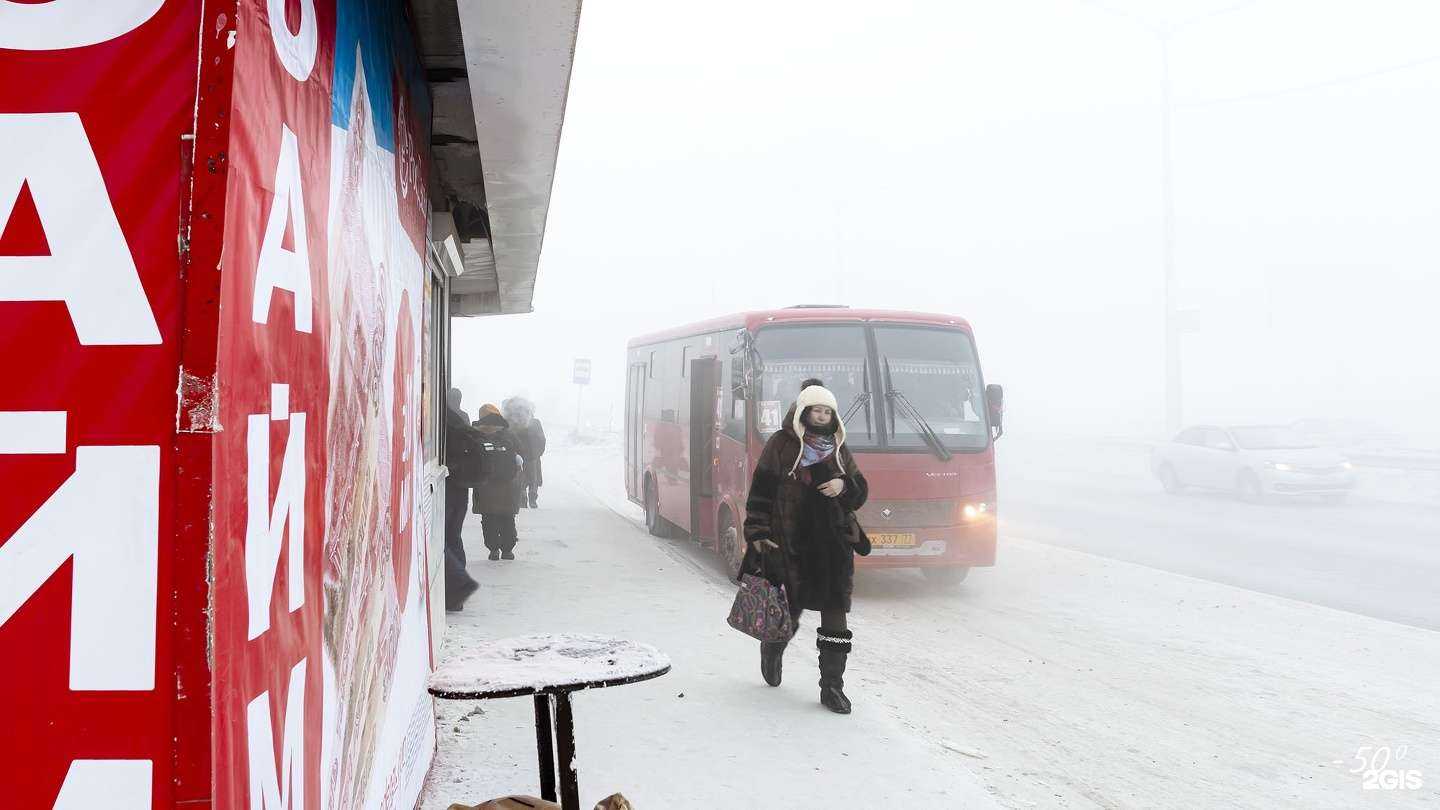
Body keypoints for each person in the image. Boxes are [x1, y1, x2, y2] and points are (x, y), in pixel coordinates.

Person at [741, 377, 871, 714]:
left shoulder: (839, 448)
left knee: (835, 620)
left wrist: (844, 484)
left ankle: (832, 688)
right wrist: (757, 533)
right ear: (804, 411)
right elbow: (761, 492)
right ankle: (773, 648)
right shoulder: (781, 446)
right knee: (789, 614)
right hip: (789, 544)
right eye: (816, 410)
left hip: (832, 548)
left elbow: (860, 491)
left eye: (828, 411)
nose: (822, 415)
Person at [443, 389, 482, 611]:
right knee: (454, 537)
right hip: (461, 488)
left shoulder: (444, 420)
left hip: (448, 486)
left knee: (442, 540)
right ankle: (458, 589)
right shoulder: (462, 418)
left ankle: (458, 588)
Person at [472, 403, 524, 560]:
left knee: (489, 518)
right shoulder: (508, 434)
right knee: (508, 517)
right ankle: (508, 550)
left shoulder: (477, 434)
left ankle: (493, 550)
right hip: (508, 486)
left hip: (485, 486)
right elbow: (522, 453)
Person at [503, 396, 547, 509]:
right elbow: (542, 440)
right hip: (532, 456)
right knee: (533, 479)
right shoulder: (534, 422)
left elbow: (508, 439)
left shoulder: (511, 422)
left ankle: (523, 499)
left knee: (522, 478)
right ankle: (532, 498)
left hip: (522, 455)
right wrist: (537, 453)